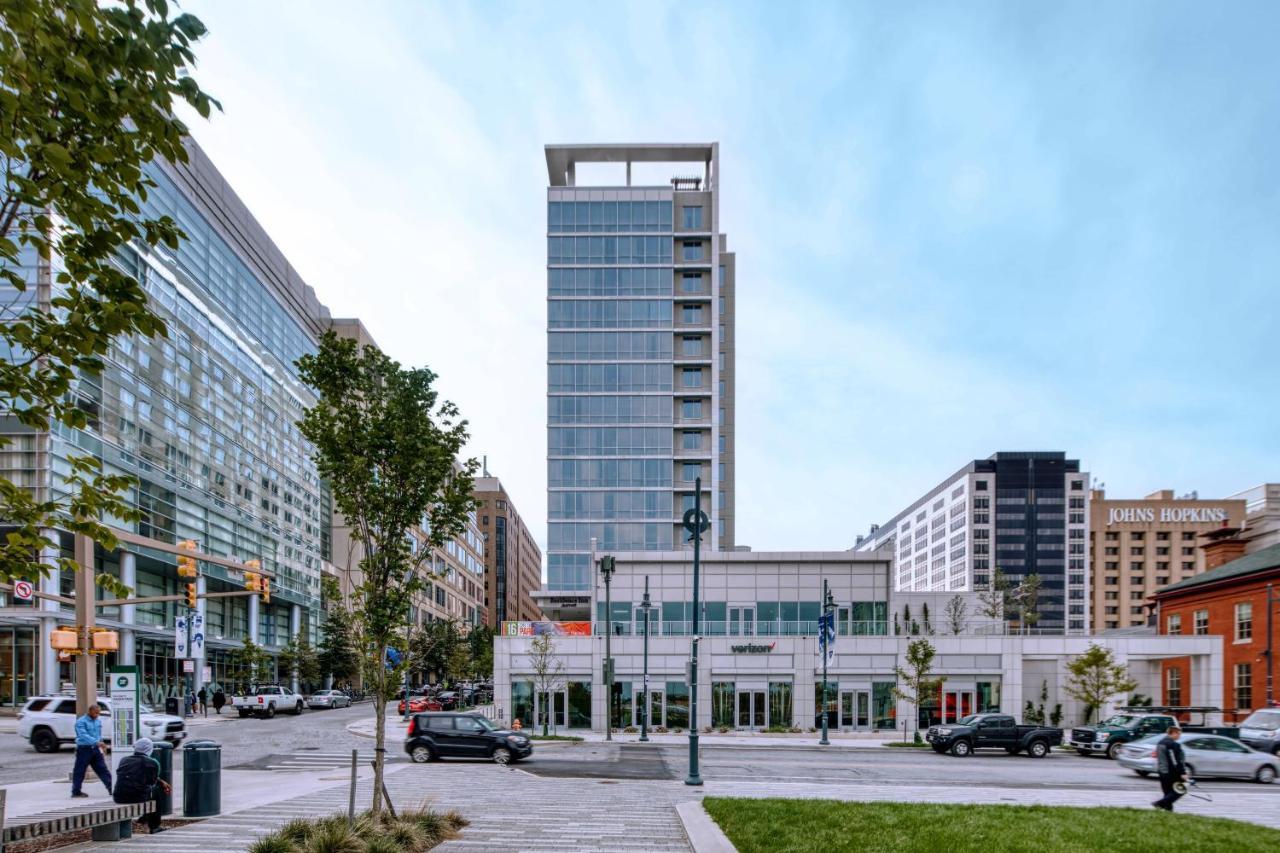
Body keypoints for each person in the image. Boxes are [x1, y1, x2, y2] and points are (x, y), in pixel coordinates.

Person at [113, 737, 170, 834]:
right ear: (149, 749)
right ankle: (154, 826)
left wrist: (161, 781)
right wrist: (161, 783)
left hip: (118, 796)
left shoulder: (124, 760)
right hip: (137, 797)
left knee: (148, 791)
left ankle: (144, 818)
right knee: (154, 792)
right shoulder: (152, 762)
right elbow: (152, 782)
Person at [71, 703, 112, 798]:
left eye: (99, 713)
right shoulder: (81, 722)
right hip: (84, 749)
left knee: (102, 769)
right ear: (90, 711)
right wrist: (96, 742)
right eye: (96, 713)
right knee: (79, 771)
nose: (97, 715)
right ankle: (76, 791)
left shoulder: (98, 722)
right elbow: (83, 735)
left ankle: (111, 788)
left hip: (96, 749)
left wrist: (101, 745)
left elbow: (98, 735)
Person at [1153, 725, 1189, 811]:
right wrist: (1182, 773)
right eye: (1179, 734)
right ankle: (1159, 803)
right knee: (1181, 790)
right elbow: (1176, 761)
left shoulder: (1160, 743)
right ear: (1173, 733)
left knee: (1168, 793)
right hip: (1171, 773)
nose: (1179, 736)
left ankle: (1168, 812)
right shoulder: (1173, 745)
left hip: (1162, 772)